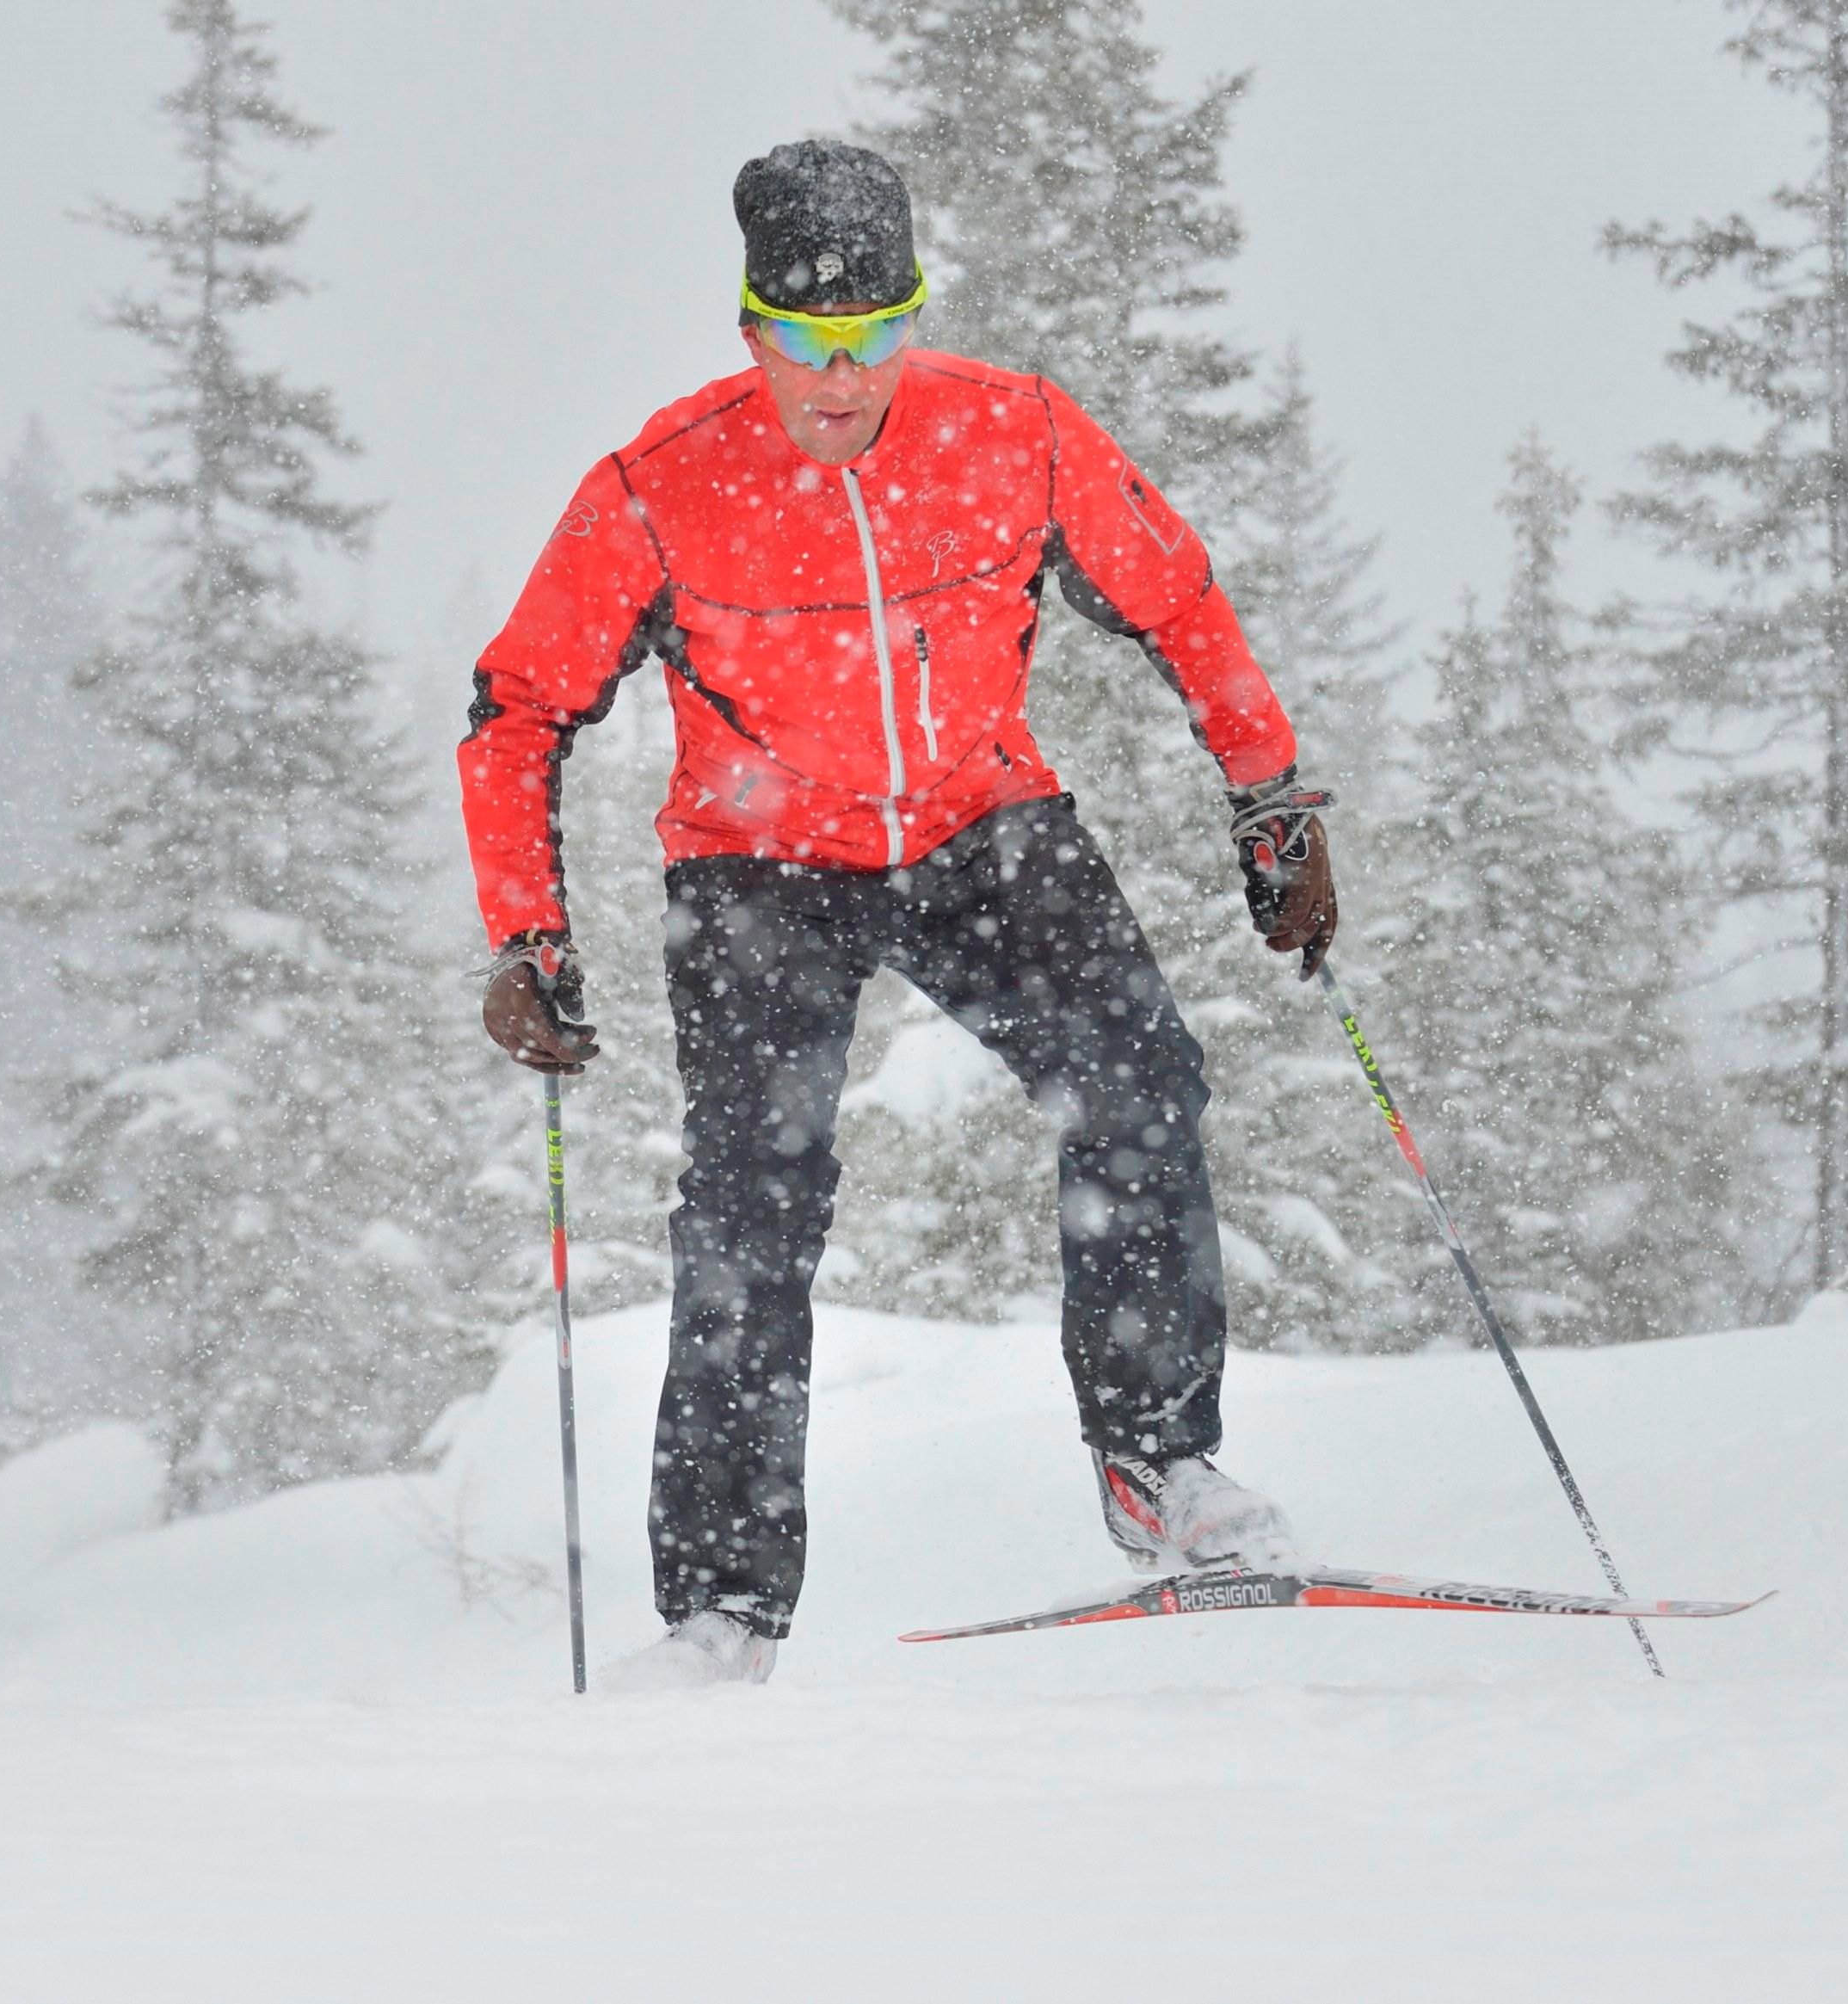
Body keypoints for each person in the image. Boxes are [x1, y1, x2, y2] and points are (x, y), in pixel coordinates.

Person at [456, 141, 1336, 1689]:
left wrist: (1270, 796)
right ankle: (722, 1610)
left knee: (1141, 1085)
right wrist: (525, 933)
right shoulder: (660, 486)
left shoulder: (1016, 432)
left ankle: (1157, 1463)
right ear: (753, 328)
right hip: (759, 866)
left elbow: (1177, 597)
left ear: (915, 314)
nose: (843, 375)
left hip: (978, 824)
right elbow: (518, 709)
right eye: (808, 339)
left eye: (878, 330)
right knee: (751, 1208)